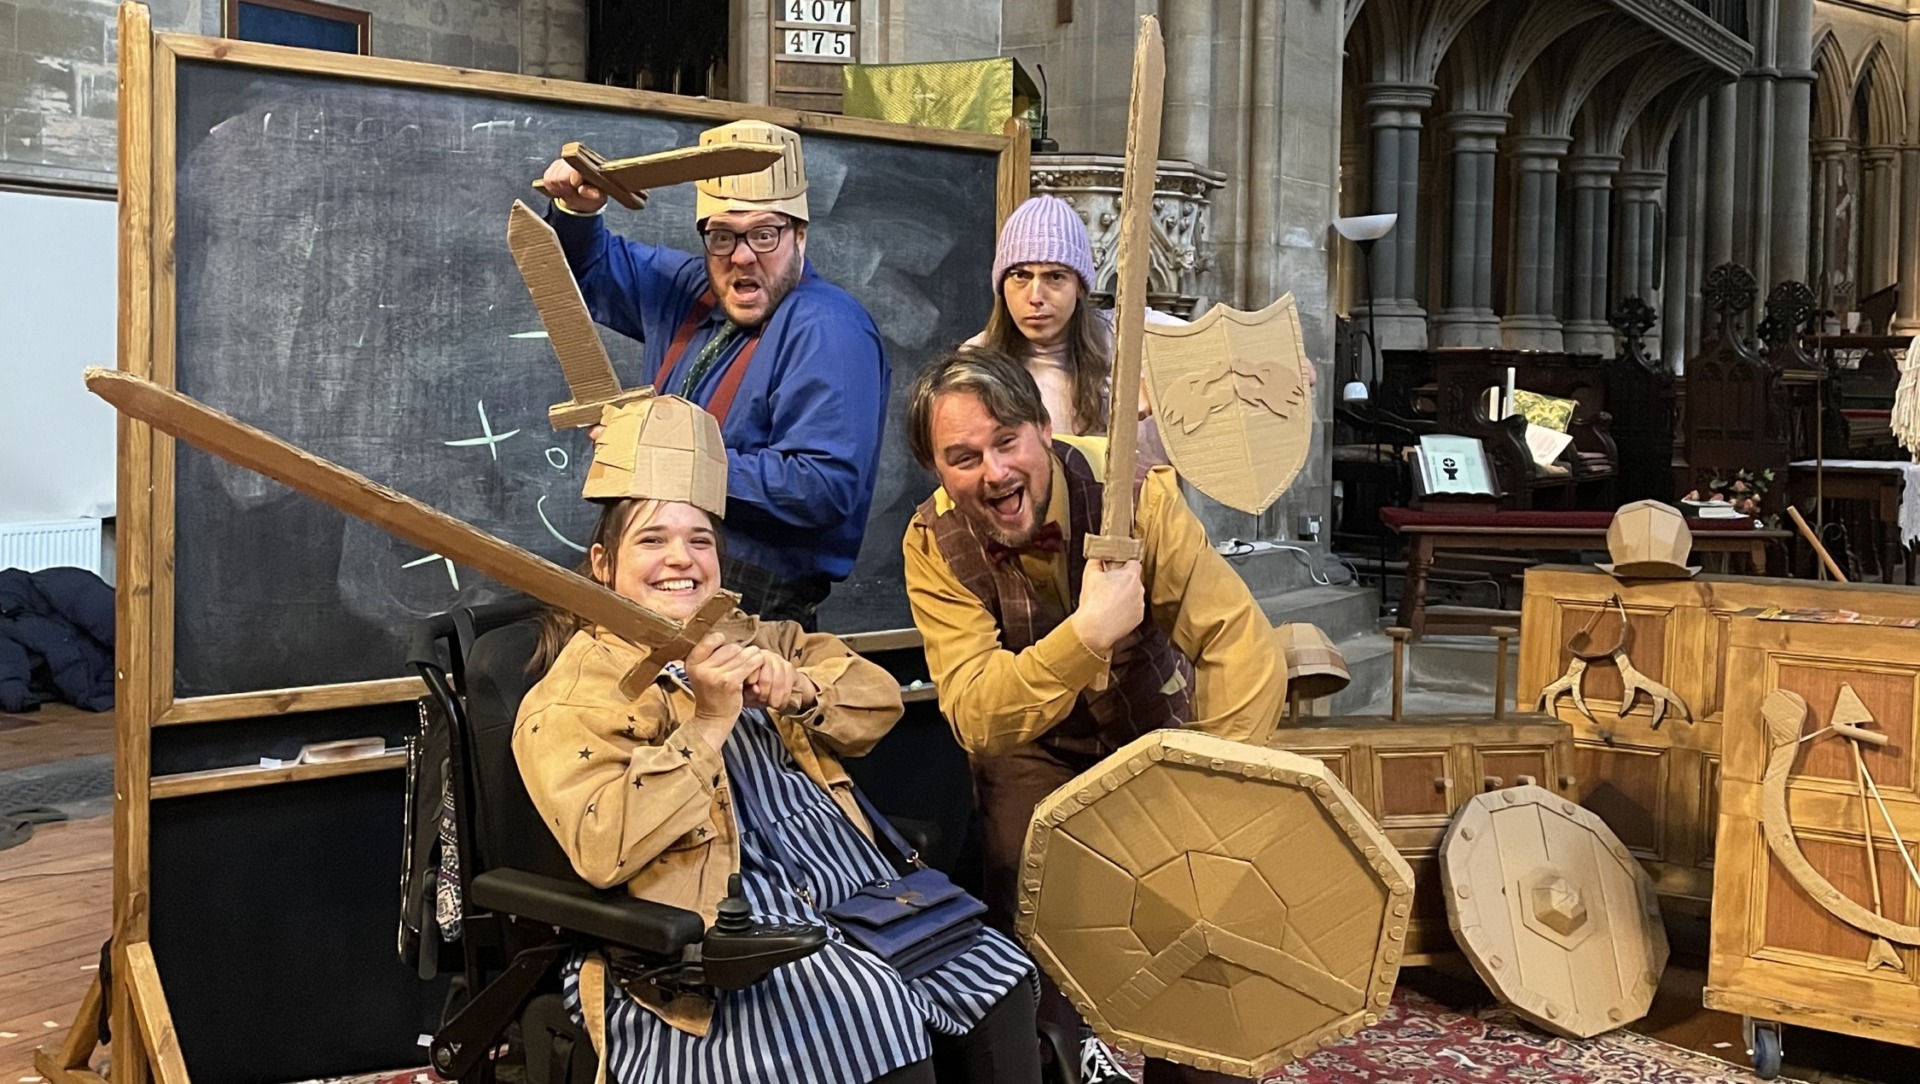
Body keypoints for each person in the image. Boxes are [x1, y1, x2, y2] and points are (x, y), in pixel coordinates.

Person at [515, 395, 1042, 1084]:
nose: (681, 559)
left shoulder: (760, 637)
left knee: (998, 976)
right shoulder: (575, 694)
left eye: (699, 540)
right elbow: (602, 844)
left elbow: (881, 701)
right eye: (652, 540)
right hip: (710, 940)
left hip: (850, 896)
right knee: (871, 1013)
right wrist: (708, 723)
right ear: (603, 563)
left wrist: (800, 690)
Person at [901, 348, 1287, 1084]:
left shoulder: (1136, 495)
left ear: (1043, 429)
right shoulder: (933, 543)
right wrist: (1086, 635)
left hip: (1153, 729)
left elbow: (1239, 643)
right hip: (1034, 742)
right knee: (1034, 905)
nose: (995, 473)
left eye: (1007, 441)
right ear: (936, 471)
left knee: (1198, 918)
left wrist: (1216, 792)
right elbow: (977, 712)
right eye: (963, 458)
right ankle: (1059, 1061)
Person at [538, 120, 889, 629]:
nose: (742, 256)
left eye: (765, 234)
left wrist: (670, 457)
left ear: (800, 236)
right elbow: (589, 271)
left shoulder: (827, 327)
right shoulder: (693, 289)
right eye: (722, 236)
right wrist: (578, 211)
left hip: (751, 599)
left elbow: (822, 487)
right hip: (654, 572)